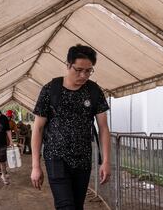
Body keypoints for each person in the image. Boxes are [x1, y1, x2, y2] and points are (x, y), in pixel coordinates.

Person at [31, 44, 111, 210]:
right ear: (68, 65)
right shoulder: (50, 90)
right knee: (66, 206)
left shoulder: (94, 91)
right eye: (79, 70)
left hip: (83, 160)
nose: (83, 75)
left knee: (77, 206)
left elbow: (103, 128)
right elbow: (38, 128)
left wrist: (106, 161)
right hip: (56, 158)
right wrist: (35, 165)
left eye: (88, 71)